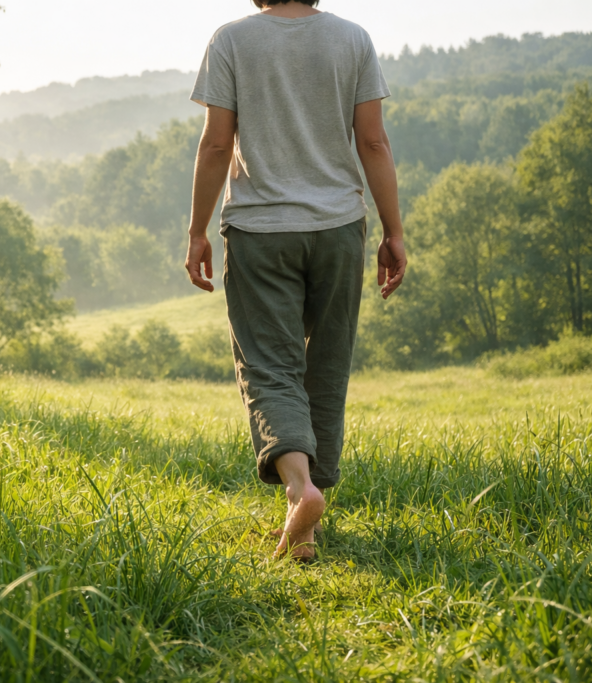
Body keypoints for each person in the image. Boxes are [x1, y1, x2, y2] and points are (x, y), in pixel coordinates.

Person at [185, 0, 407, 561]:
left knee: (269, 363)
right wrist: (393, 231)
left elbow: (216, 143)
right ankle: (304, 526)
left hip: (260, 230)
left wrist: (197, 230)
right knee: (326, 361)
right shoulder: (352, 38)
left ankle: (298, 488)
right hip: (337, 228)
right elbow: (374, 142)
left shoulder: (232, 40)